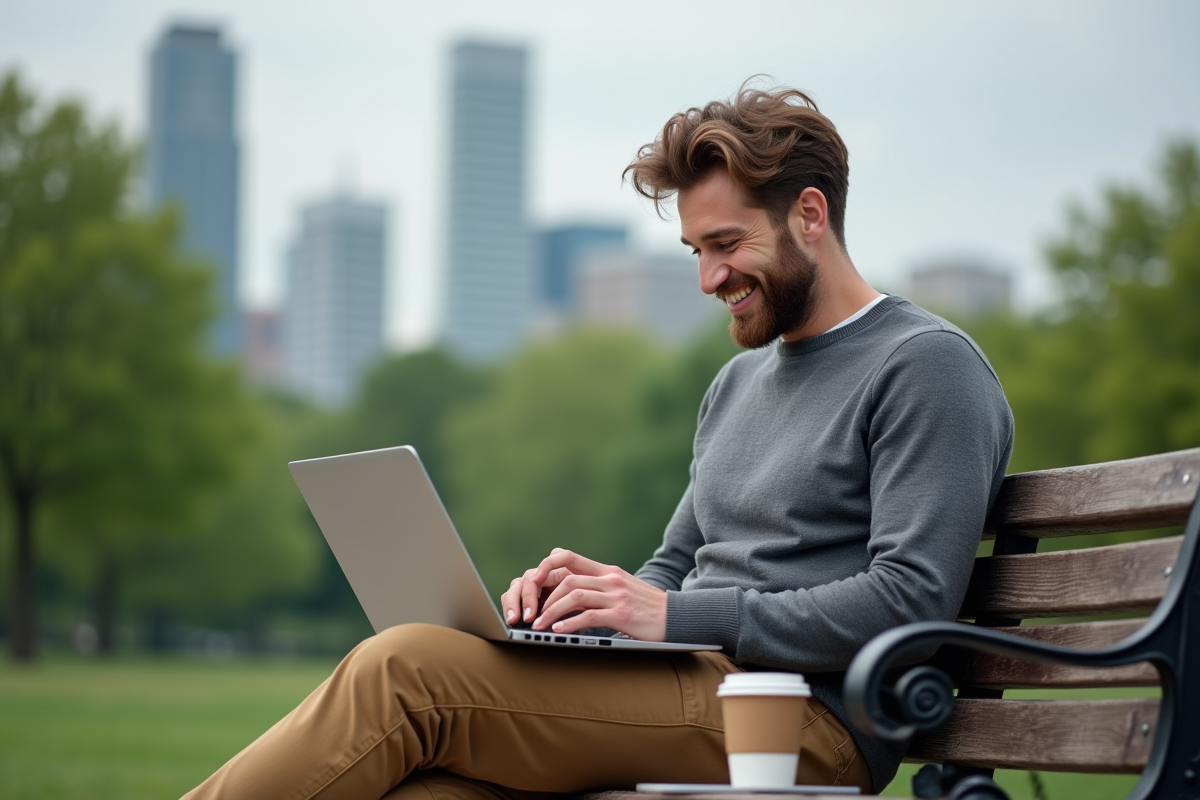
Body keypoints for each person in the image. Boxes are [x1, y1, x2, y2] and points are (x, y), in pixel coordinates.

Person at [185, 85, 1013, 800]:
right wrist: (585, 609)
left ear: (808, 214)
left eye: (726, 245)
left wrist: (672, 613)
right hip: (685, 691)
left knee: (401, 674)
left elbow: (912, 600)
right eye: (696, 251)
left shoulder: (925, 367)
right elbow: (676, 563)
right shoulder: (738, 385)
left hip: (800, 724)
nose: (708, 279)